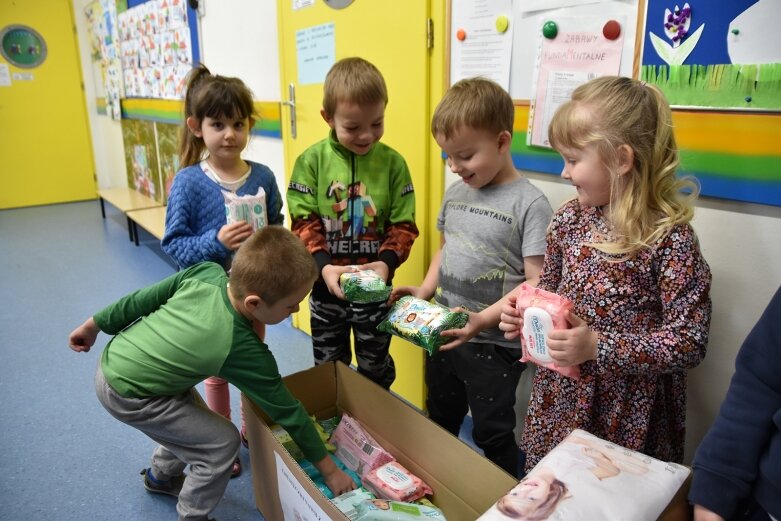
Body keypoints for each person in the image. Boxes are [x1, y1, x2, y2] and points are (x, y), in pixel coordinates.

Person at [68, 226, 355, 521]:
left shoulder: (205, 272)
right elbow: (287, 411)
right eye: (290, 305)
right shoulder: (241, 348)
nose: (295, 311)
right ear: (254, 304)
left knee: (191, 425)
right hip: (131, 394)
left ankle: (160, 478)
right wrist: (330, 471)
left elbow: (141, 299)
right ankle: (192, 515)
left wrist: (95, 325)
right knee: (221, 443)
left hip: (119, 358)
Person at [498, 76, 712, 471]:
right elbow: (548, 295)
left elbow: (689, 341)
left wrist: (599, 346)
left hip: (625, 414)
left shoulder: (670, 241)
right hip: (560, 402)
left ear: (621, 160)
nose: (564, 173)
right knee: (553, 495)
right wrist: (526, 317)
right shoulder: (568, 220)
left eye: (574, 160)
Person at [392, 77, 553, 476]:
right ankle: (442, 483)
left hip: (493, 344)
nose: (455, 167)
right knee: (441, 414)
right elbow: (446, 247)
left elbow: (536, 283)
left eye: (464, 155)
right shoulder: (455, 192)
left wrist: (482, 319)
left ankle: (505, 494)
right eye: (448, 156)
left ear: (502, 141)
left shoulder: (530, 203)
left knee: (491, 430)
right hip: (446, 331)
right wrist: (426, 288)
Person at [161, 64, 285, 476]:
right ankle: (224, 440)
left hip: (255, 297)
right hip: (210, 300)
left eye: (238, 124)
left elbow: (278, 223)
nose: (229, 134)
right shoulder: (188, 182)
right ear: (197, 127)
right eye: (218, 124)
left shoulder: (263, 175)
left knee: (253, 364)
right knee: (216, 373)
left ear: (249, 125)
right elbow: (174, 245)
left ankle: (251, 429)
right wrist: (217, 241)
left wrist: (270, 247)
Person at [286, 57, 418, 389]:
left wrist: (386, 264)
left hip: (375, 293)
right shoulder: (311, 162)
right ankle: (336, 422)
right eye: (353, 127)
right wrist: (323, 267)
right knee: (329, 367)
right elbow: (303, 222)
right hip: (325, 288)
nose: (366, 136)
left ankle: (374, 421)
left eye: (377, 123)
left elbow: (404, 224)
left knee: (376, 366)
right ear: (327, 117)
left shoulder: (393, 164)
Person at [689, 286, 781, 521]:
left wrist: (601, 347)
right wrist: (712, 494)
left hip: (639, 406)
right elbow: (758, 384)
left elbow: (689, 341)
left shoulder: (674, 249)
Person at [495, 467, 569, 520]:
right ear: (548, 501)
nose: (526, 488)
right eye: (531, 498)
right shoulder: (566, 471)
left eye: (515, 494)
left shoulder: (527, 470)